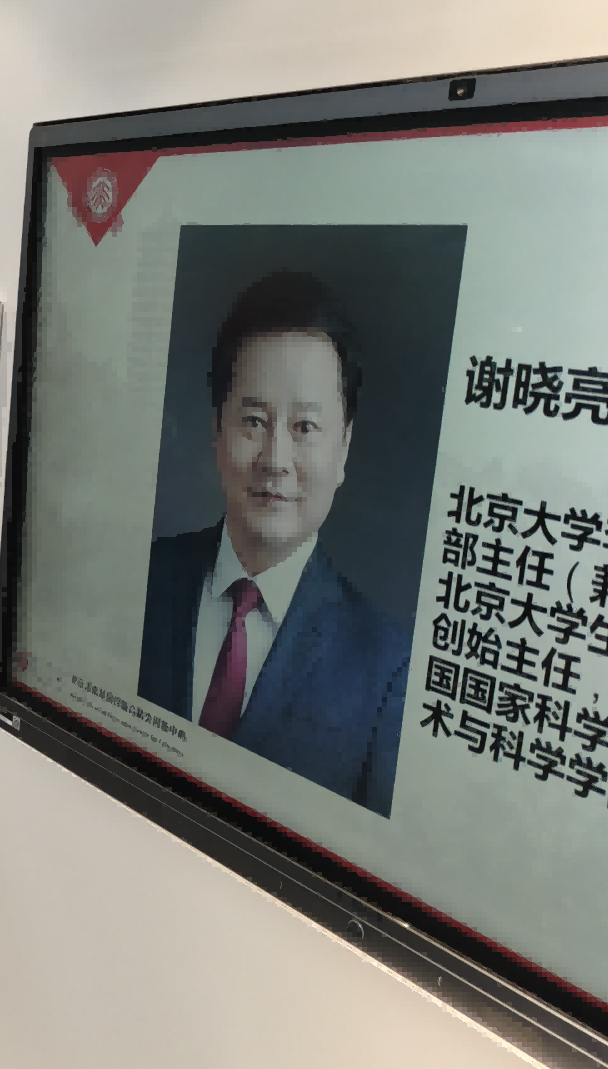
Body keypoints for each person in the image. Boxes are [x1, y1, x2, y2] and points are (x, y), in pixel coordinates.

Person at [135, 270, 406, 816]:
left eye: (305, 427)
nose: (275, 459)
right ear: (217, 430)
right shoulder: (141, 576)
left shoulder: (386, 669)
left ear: (343, 447)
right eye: (254, 421)